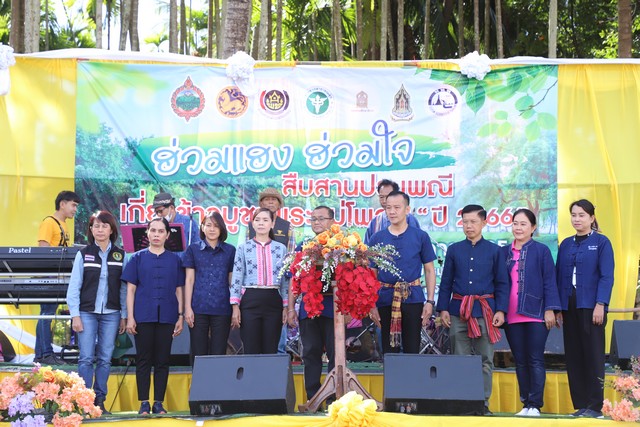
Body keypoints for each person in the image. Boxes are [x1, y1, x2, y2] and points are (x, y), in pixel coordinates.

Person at [436, 204, 509, 415]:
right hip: (459, 312)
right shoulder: (454, 249)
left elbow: (502, 283)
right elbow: (446, 281)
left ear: (484, 223)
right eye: (465, 222)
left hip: (486, 312)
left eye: (473, 222)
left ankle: (482, 403)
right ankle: (463, 401)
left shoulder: (495, 251)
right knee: (460, 359)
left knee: (485, 359)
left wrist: (501, 311)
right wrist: (443, 309)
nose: (469, 226)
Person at [556, 199, 614, 419]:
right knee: (574, 355)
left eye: (581, 215)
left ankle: (594, 406)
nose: (577, 219)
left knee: (593, 355)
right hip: (569, 305)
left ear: (591, 218)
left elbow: (607, 276)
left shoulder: (601, 242)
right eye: (573, 215)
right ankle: (580, 404)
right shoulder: (566, 244)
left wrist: (601, 304)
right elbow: (558, 275)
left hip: (591, 305)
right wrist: (558, 307)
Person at [66, 210, 127, 415]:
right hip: (86, 312)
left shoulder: (120, 255)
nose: (99, 230)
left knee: (105, 358)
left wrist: (124, 315)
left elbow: (124, 288)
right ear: (91, 230)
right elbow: (74, 286)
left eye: (104, 226)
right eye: (96, 226)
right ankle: (83, 401)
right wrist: (75, 314)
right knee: (85, 358)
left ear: (112, 230)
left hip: (112, 313)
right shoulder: (83, 254)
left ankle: (100, 401)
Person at [122, 218, 185, 415]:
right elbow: (130, 291)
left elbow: (179, 290)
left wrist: (181, 315)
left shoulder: (175, 260)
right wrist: (130, 317)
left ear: (167, 235)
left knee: (162, 360)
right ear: (147, 234)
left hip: (167, 315)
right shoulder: (137, 258)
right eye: (153, 231)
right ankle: (143, 403)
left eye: (161, 231)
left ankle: (158, 402)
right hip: (143, 315)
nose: (157, 235)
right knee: (143, 359)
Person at [501, 209, 560, 417]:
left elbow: (549, 281)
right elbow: (500, 284)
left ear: (533, 228)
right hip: (511, 316)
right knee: (520, 359)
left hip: (536, 314)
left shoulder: (541, 251)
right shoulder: (504, 253)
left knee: (535, 358)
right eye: (515, 223)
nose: (518, 228)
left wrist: (550, 309)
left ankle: (535, 404)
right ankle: (525, 403)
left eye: (523, 224)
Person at [368, 191, 437, 354]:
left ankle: (411, 380)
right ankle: (392, 380)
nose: (392, 211)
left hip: (413, 298)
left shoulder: (420, 236)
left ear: (407, 210)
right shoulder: (377, 238)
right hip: (385, 298)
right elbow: (371, 275)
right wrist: (371, 305)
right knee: (388, 349)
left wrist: (430, 301)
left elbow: (429, 270)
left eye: (397, 207)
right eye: (388, 207)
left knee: (412, 348)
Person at [287, 206, 336, 401]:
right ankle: (313, 398)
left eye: (321, 218)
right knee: (310, 353)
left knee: (336, 355)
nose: (316, 222)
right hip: (309, 309)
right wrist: (291, 308)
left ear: (332, 221)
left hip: (334, 309)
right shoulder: (303, 246)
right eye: (313, 219)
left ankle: (334, 397)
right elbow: (294, 279)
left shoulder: (341, 246)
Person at [231, 208, 288, 354]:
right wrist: (235, 306)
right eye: (257, 220)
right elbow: (237, 277)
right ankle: (251, 377)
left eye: (265, 220)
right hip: (250, 300)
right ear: (252, 224)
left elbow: (285, 281)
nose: (261, 223)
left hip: (273, 300)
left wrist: (286, 307)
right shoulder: (243, 248)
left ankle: (269, 377)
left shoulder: (281, 249)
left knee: (271, 347)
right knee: (251, 347)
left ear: (272, 223)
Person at [183, 212, 235, 362]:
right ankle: (199, 385)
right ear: (203, 228)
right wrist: (187, 308)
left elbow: (232, 281)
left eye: (216, 226)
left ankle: (216, 385)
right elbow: (189, 280)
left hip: (222, 308)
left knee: (218, 353)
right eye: (208, 225)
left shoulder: (230, 250)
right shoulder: (193, 250)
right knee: (198, 353)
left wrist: (235, 307)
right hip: (198, 307)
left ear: (222, 229)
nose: (212, 229)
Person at [36, 190, 81, 365]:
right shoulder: (49, 222)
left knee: (47, 314)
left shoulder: (64, 224)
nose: (75, 209)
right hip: (50, 275)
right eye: (73, 205)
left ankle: (41, 354)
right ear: (62, 204)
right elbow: (42, 249)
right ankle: (45, 353)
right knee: (46, 313)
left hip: (60, 275)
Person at [364, 179, 421, 244]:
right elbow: (366, 249)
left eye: (388, 196)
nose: (385, 200)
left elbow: (418, 244)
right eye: (381, 197)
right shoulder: (375, 222)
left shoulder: (410, 219)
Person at [247, 187, 296, 252]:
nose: (270, 202)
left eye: (274, 199)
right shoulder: (251, 225)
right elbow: (246, 250)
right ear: (261, 204)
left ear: (279, 204)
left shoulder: (288, 226)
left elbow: (291, 254)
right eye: (267, 199)